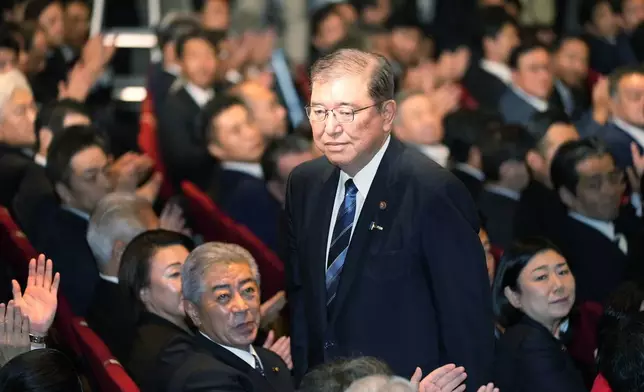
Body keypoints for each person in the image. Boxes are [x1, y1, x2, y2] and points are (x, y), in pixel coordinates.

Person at [286, 49, 493, 388]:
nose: (331, 127)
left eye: (347, 112)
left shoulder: (432, 189)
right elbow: (302, 298)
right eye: (319, 111)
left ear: (387, 114)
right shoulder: (304, 183)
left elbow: (466, 318)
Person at [151, 242, 295, 392]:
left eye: (248, 290)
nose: (242, 307)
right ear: (193, 311)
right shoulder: (202, 379)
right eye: (223, 296)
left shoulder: (270, 359)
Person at [492, 238, 586, 392]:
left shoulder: (541, 336)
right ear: (514, 296)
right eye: (541, 277)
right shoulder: (530, 345)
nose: (559, 285)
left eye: (562, 272)